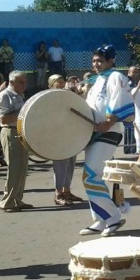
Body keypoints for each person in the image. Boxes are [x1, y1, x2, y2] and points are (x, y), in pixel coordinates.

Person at [80, 45, 135, 236]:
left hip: (109, 131)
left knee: (90, 175)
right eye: (94, 61)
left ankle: (113, 217)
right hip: (94, 133)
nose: (95, 64)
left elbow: (120, 101)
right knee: (92, 176)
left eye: (100, 61)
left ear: (111, 61)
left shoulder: (116, 77)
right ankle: (101, 219)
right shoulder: (96, 80)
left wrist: (109, 121)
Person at [0, 71, 32, 212]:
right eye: (21, 82)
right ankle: (7, 201)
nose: (24, 85)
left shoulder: (19, 95)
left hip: (21, 132)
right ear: (12, 82)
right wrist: (24, 112)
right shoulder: (5, 95)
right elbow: (4, 118)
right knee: (14, 168)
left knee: (22, 168)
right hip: (10, 131)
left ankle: (17, 199)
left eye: (25, 82)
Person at [48, 74, 83, 206]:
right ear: (51, 84)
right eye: (58, 82)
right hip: (58, 135)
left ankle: (67, 191)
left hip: (70, 134)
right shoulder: (48, 97)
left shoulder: (68, 94)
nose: (62, 84)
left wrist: (75, 92)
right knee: (60, 165)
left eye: (63, 82)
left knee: (70, 163)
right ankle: (58, 193)